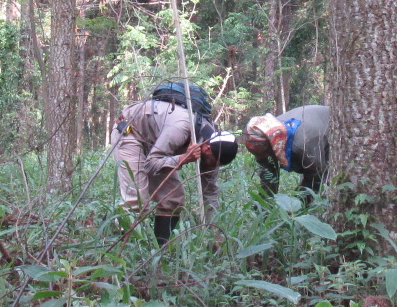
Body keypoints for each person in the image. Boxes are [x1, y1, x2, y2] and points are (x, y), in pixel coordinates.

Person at [114, 81, 238, 244]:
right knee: (137, 198)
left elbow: (209, 192)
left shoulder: (214, 147)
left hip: (156, 142)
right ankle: (121, 251)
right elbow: (151, 165)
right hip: (131, 133)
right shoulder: (182, 127)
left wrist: (213, 231)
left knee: (173, 198)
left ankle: (160, 252)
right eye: (211, 162)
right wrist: (182, 159)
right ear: (206, 148)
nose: (210, 166)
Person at [243, 104, 329, 195]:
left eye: (262, 154)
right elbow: (268, 178)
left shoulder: (302, 146)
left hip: (332, 132)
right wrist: (265, 205)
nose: (261, 158)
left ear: (273, 145)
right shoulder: (267, 130)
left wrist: (296, 203)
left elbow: (316, 177)